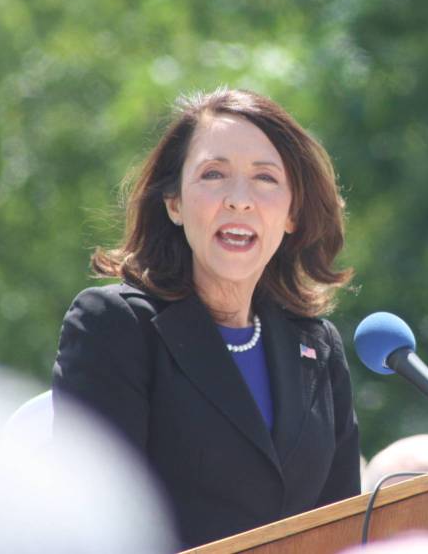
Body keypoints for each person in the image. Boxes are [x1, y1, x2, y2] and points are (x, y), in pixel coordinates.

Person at [52, 88, 361, 549]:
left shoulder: (316, 345)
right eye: (214, 174)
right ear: (174, 203)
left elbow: (345, 528)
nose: (240, 200)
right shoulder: (116, 325)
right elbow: (97, 519)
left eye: (265, 179)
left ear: (293, 213)